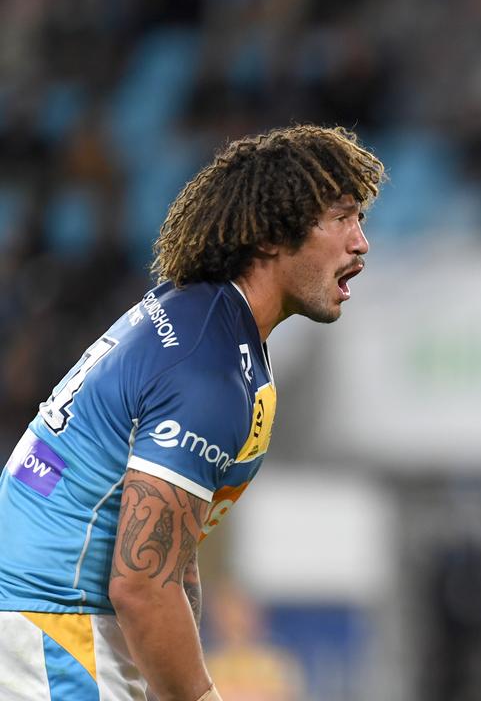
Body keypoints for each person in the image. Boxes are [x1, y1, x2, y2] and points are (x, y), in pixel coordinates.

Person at [0, 125, 385, 700]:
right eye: (342, 218)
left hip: (50, 621)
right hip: (52, 634)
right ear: (272, 234)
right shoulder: (207, 369)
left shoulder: (205, 327)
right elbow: (142, 583)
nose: (361, 242)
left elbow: (172, 562)